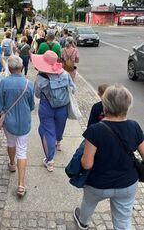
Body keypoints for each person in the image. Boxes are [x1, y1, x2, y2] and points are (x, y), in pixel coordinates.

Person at [74, 84, 144, 230]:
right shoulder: (134, 126)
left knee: (88, 203)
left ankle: (83, 222)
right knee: (123, 221)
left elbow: (87, 164)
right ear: (127, 106)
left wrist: (80, 159)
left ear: (104, 106)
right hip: (127, 183)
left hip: (98, 183)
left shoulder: (95, 130)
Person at [0, 55, 34, 197]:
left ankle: (11, 164)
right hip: (24, 122)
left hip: (9, 122)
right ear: (21, 68)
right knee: (22, 150)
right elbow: (31, 105)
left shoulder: (4, 83)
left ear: (9, 69)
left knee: (11, 143)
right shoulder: (29, 84)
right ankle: (21, 185)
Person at [32, 50, 75, 172]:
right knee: (60, 126)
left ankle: (49, 160)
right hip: (63, 106)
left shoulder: (41, 77)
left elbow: (37, 94)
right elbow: (73, 88)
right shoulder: (65, 74)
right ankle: (58, 143)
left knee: (47, 131)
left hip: (46, 107)